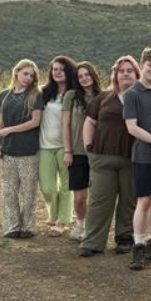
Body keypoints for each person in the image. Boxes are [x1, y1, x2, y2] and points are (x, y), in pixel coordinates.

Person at [78, 56, 138, 256]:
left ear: (137, 74)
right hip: (102, 157)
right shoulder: (103, 97)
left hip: (132, 159)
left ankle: (125, 238)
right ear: (115, 74)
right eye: (122, 70)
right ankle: (92, 242)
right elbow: (89, 122)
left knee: (129, 201)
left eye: (130, 70)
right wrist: (88, 148)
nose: (126, 73)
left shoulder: (141, 98)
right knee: (98, 200)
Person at [123, 46, 151, 270]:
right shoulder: (132, 93)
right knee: (144, 200)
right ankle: (138, 244)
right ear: (142, 66)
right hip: (143, 154)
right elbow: (132, 127)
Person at [0, 59, 45, 240]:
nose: (28, 78)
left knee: (29, 191)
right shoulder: (3, 96)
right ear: (16, 72)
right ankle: (11, 226)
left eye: (32, 76)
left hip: (28, 151)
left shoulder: (36, 95)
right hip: (7, 151)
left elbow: (35, 122)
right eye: (26, 74)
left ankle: (28, 226)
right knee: (8, 190)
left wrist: (11, 130)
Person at [62, 61, 102, 242]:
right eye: (80, 76)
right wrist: (68, 150)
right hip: (77, 152)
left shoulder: (103, 96)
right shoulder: (71, 96)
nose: (84, 78)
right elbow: (65, 124)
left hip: (98, 153)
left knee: (96, 196)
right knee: (79, 197)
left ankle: (93, 229)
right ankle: (80, 224)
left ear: (93, 75)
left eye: (87, 74)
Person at [38, 56, 78, 236]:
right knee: (47, 187)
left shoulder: (74, 94)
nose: (57, 72)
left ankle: (62, 221)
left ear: (68, 72)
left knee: (66, 185)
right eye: (54, 69)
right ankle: (53, 215)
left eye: (61, 69)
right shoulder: (43, 93)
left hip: (66, 146)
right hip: (44, 146)